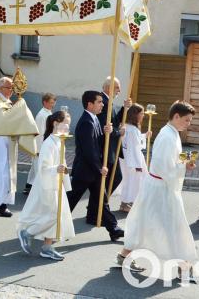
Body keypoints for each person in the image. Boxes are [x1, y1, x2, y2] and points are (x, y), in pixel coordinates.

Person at [117, 101, 198, 279]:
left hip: (159, 185)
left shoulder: (172, 133)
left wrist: (184, 162)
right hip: (161, 187)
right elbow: (163, 167)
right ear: (176, 116)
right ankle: (184, 266)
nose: (188, 124)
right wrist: (183, 166)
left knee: (146, 222)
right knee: (173, 225)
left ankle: (124, 255)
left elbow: (170, 161)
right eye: (186, 120)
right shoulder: (167, 136)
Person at [17, 110, 75, 260]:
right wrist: (56, 169)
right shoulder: (48, 143)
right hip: (47, 184)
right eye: (65, 124)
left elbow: (61, 162)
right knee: (53, 215)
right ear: (55, 123)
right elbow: (43, 167)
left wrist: (64, 174)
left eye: (68, 125)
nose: (67, 128)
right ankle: (27, 233)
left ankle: (47, 247)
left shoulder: (59, 142)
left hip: (56, 183)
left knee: (57, 215)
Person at [66, 91, 123, 241]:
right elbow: (89, 149)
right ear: (90, 104)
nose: (102, 104)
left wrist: (106, 133)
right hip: (84, 171)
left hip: (93, 171)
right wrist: (100, 167)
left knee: (102, 201)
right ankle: (52, 225)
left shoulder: (94, 119)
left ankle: (114, 229)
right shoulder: (86, 122)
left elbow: (97, 143)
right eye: (99, 102)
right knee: (70, 201)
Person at [0, 77, 39, 217]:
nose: (11, 90)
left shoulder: (5, 101)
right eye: (9, 88)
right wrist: (21, 105)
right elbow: (3, 120)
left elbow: (11, 118)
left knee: (2, 173)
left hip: (6, 143)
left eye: (12, 88)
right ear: (0, 88)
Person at [97, 77, 131, 211]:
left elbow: (115, 121)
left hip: (111, 147)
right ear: (108, 88)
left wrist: (124, 108)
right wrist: (118, 132)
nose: (119, 91)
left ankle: (99, 205)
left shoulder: (108, 101)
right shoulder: (103, 103)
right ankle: (99, 205)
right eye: (117, 88)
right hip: (106, 147)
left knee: (112, 179)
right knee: (113, 178)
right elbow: (105, 128)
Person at [118, 104, 150, 212]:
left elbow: (134, 141)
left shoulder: (126, 126)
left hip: (127, 159)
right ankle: (128, 204)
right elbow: (134, 147)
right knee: (134, 182)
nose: (143, 115)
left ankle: (124, 203)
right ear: (135, 114)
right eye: (142, 113)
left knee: (128, 181)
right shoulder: (132, 129)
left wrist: (144, 136)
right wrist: (138, 165)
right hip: (133, 160)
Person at [25, 93, 56, 195]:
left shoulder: (48, 113)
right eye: (51, 102)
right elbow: (40, 133)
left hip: (42, 145)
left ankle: (29, 186)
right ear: (44, 102)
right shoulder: (42, 115)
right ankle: (37, 189)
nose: (53, 105)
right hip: (40, 146)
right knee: (39, 168)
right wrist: (39, 149)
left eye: (53, 102)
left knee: (35, 168)